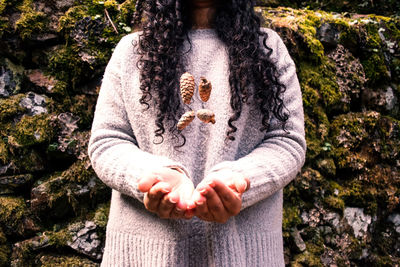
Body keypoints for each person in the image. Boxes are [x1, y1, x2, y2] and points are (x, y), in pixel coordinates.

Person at [88, 0, 306, 266]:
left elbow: (287, 140)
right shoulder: (131, 52)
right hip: (145, 253)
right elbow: (107, 140)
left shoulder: (268, 50)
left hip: (244, 253)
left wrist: (240, 179)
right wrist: (151, 176)